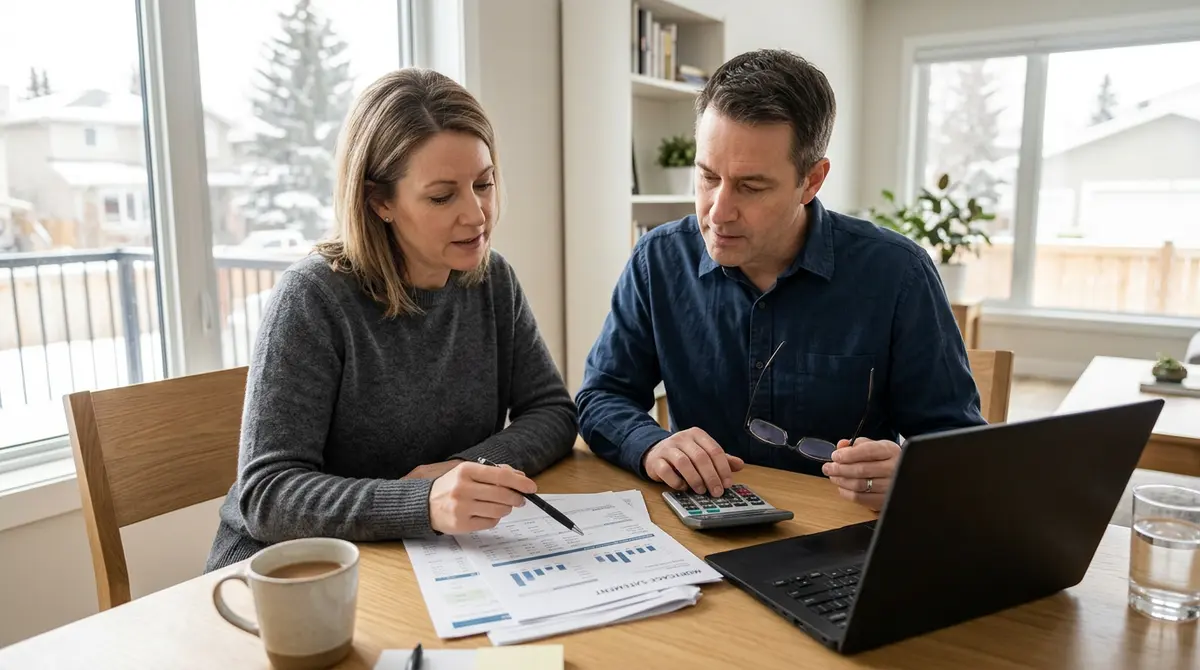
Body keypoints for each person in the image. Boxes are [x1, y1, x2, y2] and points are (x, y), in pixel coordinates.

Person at [575, 49, 985, 512]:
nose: (718, 211)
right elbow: (601, 395)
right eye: (708, 176)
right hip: (701, 538)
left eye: (751, 187)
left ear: (812, 181)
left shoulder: (899, 274)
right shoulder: (658, 260)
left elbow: (961, 446)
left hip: (839, 537)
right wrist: (649, 443)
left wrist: (912, 471)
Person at [205, 68, 578, 571]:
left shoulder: (492, 281)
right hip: (292, 575)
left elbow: (553, 413)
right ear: (379, 200)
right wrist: (422, 502)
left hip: (422, 559)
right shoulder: (314, 298)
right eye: (443, 196)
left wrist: (465, 468)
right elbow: (267, 496)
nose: (477, 215)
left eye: (484, 183)